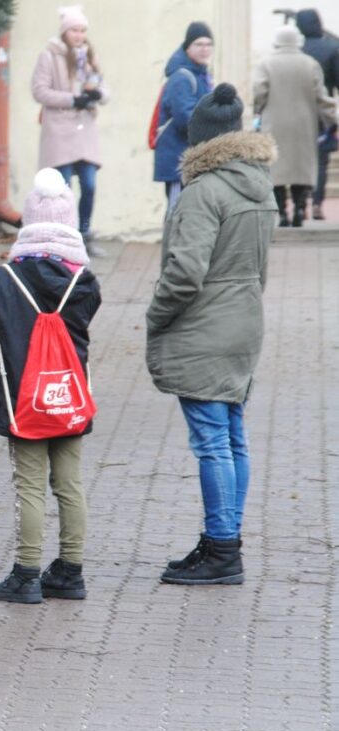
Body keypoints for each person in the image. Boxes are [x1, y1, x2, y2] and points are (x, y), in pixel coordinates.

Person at [146, 84, 277, 585]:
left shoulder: (203, 190)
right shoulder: (259, 185)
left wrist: (156, 316)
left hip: (204, 325)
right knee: (232, 437)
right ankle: (224, 540)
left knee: (212, 443)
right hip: (244, 320)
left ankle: (223, 551)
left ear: (200, 140)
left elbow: (184, 273)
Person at [0, 168, 101, 604]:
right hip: (69, 396)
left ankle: (26, 573)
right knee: (70, 484)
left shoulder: (4, 281)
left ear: (30, 224)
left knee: (30, 486)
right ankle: (71, 571)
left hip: (25, 401)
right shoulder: (84, 282)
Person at [31, 5, 110, 256]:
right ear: (65, 31)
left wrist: (97, 95)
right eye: (74, 30)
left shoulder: (89, 57)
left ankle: (85, 234)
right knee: (63, 189)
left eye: (83, 30)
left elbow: (104, 88)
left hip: (84, 129)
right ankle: (64, 238)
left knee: (89, 184)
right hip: (59, 130)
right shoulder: (49, 56)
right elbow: (39, 90)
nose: (79, 35)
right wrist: (72, 99)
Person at [253, 24, 338, 227]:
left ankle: (282, 212)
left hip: (274, 124)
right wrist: (332, 118)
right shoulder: (310, 64)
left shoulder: (266, 64)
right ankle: (300, 209)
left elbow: (259, 92)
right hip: (305, 124)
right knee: (302, 169)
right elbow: (321, 96)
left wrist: (259, 110)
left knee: (276, 170)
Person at [153, 22, 215, 214]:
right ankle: (172, 245)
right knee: (176, 211)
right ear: (187, 47)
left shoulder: (201, 75)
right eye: (199, 44)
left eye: (208, 44)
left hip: (188, 155)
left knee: (187, 211)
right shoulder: (182, 77)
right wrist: (212, 134)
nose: (204, 49)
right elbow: (184, 118)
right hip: (177, 159)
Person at [296, 9, 339, 219]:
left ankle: (301, 203)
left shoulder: (297, 50)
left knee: (301, 160)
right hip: (322, 113)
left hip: (297, 112)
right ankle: (317, 203)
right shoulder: (332, 48)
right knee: (321, 160)